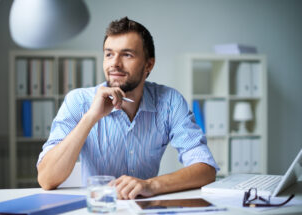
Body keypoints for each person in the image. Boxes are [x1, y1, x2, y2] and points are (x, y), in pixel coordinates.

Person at [37, 17, 218, 200]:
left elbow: (206, 169)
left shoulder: (170, 102)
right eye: (109, 54)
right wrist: (91, 116)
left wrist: (150, 185)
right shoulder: (79, 101)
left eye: (127, 55)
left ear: (148, 64)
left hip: (144, 208)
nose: (115, 63)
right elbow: (46, 179)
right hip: (99, 209)